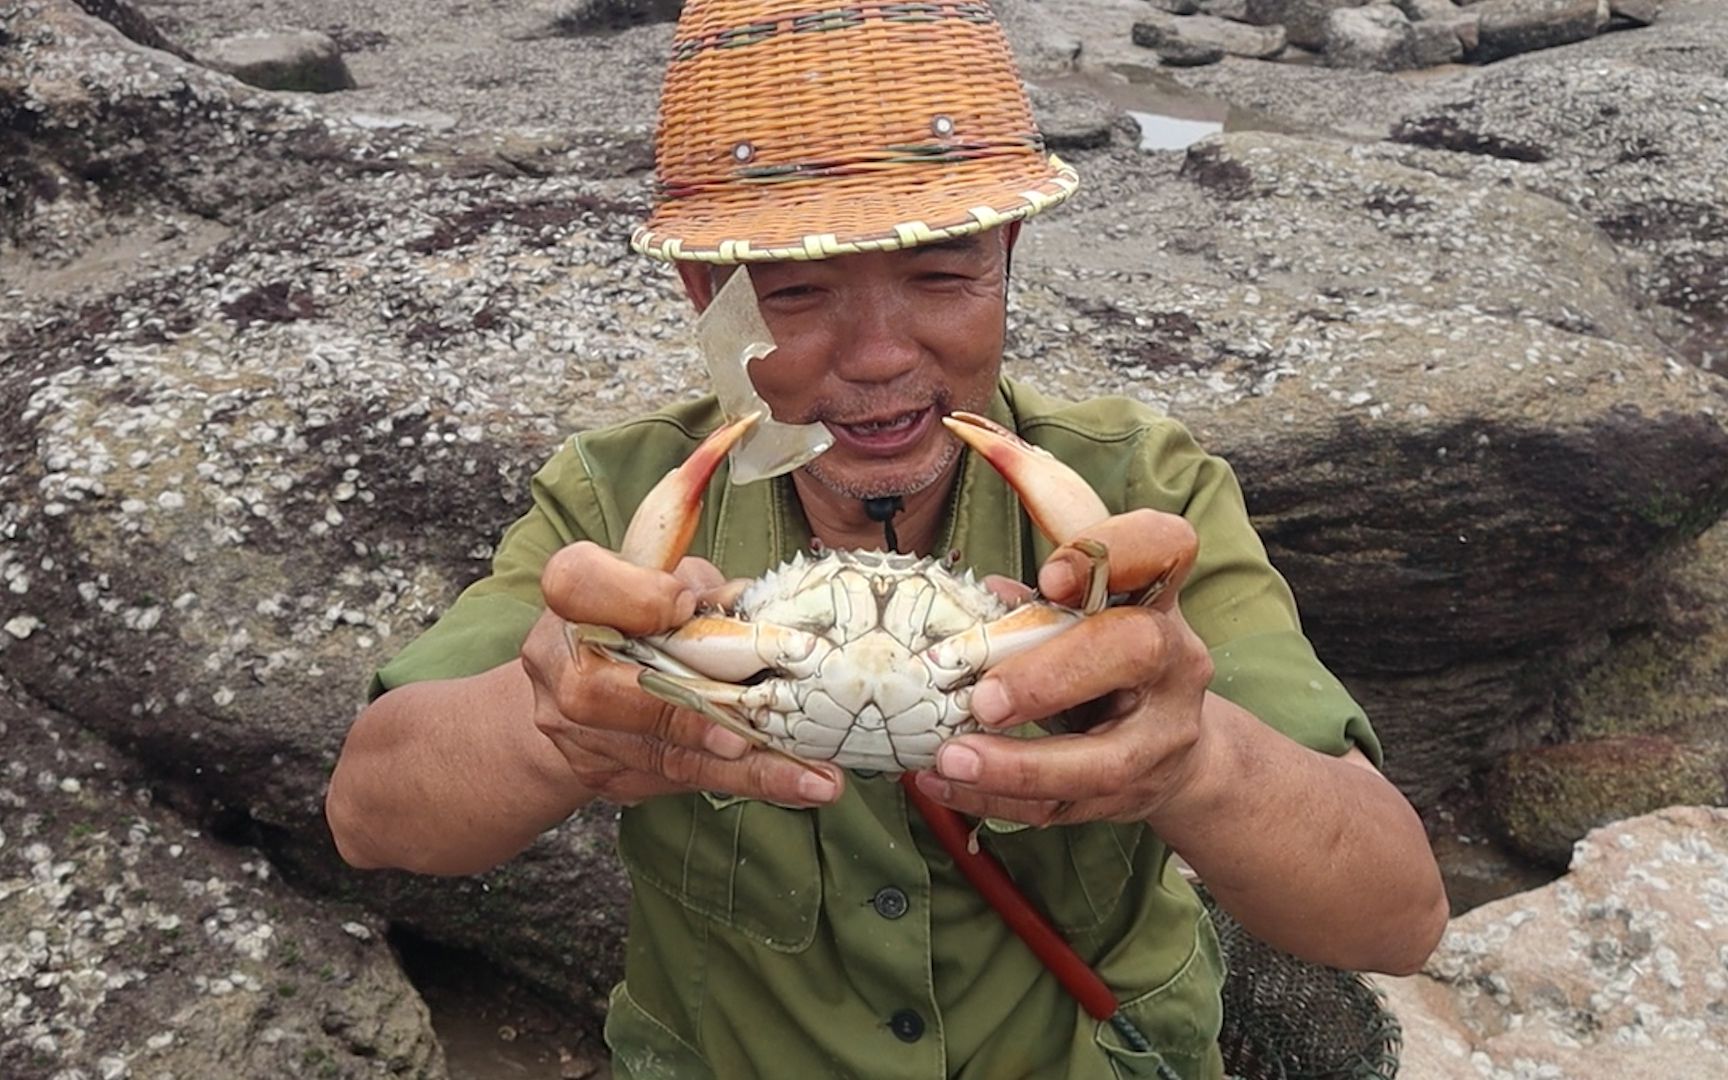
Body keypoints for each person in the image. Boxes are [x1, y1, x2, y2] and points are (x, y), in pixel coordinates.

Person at [325, 2, 1448, 1077]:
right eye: (799, 293)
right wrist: (552, 720)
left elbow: (1397, 916)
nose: (875, 356)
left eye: (940, 274)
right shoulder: (625, 513)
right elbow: (372, 814)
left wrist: (1198, 761)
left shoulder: (1132, 500)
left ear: (1008, 253)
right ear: (704, 291)